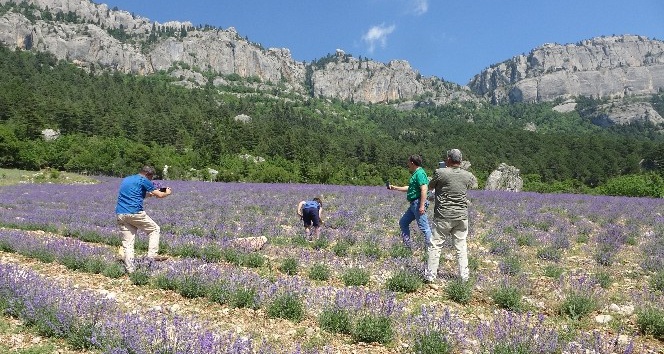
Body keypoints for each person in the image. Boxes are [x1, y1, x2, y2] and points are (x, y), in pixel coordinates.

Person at [426, 149, 477, 286]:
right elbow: (473, 185)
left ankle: (430, 276)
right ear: (460, 160)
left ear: (448, 159)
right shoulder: (468, 175)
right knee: (461, 246)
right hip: (461, 216)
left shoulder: (440, 172)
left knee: (436, 245)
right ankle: (464, 277)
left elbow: (430, 186)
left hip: (443, 215)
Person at [115, 165, 172, 273]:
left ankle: (130, 270)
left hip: (120, 213)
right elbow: (160, 195)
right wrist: (167, 192)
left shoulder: (127, 179)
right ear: (148, 174)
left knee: (128, 243)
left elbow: (136, 195)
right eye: (151, 177)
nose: (151, 180)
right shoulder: (144, 180)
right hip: (135, 213)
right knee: (154, 229)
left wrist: (149, 195)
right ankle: (152, 256)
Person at [388, 155, 433, 250]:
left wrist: (421, 206)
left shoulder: (420, 173)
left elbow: (424, 189)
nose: (407, 164)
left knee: (425, 228)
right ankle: (407, 247)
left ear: (412, 163)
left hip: (418, 203)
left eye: (408, 162)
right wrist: (394, 188)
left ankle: (431, 250)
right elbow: (410, 188)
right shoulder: (416, 174)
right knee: (403, 222)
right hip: (414, 204)